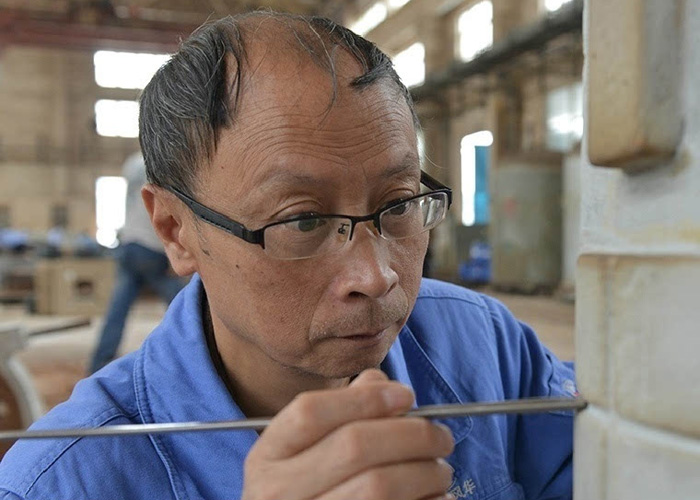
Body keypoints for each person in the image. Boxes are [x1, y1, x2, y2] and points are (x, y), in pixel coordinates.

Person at [0, 12, 576, 500]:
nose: (376, 276)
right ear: (175, 230)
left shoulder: (486, 348)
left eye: (399, 204)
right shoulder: (66, 481)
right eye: (303, 220)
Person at [87, 152, 185, 374]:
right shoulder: (165, 159)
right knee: (184, 306)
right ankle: (191, 359)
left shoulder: (131, 163)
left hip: (129, 245)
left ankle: (98, 365)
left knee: (117, 311)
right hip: (151, 247)